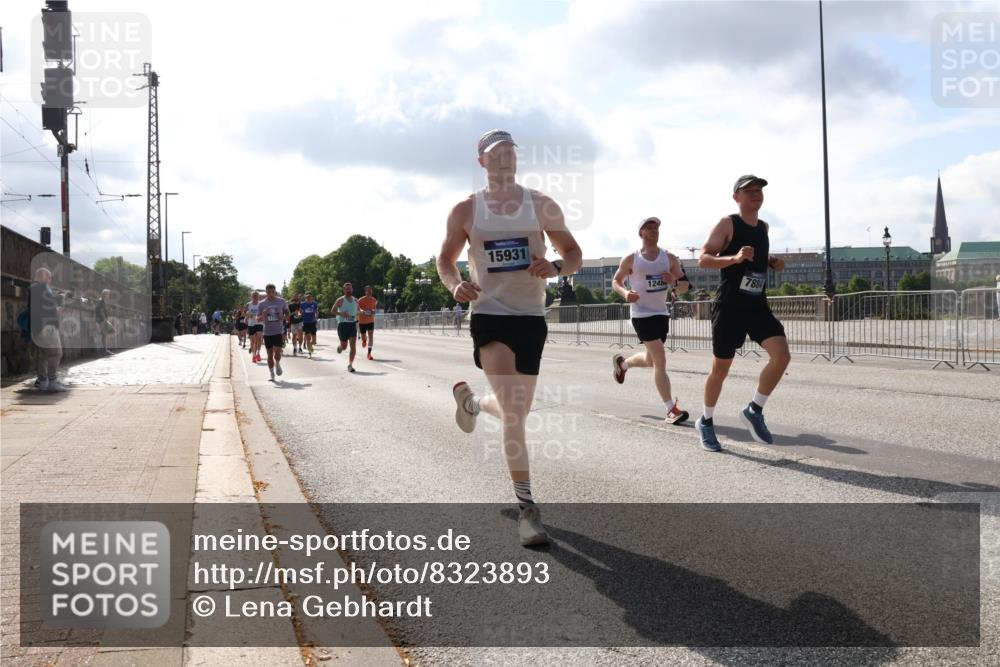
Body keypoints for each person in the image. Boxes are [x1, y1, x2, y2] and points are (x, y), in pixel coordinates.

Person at [437, 129, 582, 546]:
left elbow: (573, 254)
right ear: (481, 161)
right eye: (495, 153)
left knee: (515, 409)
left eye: (509, 151)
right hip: (490, 315)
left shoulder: (541, 204)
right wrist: (455, 285)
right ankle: (528, 511)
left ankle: (472, 403)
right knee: (515, 414)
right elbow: (445, 259)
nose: (504, 158)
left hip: (531, 317)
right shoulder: (466, 210)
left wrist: (556, 268)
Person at [695, 175, 790, 452]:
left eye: (759, 190)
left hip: (757, 304)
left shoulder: (763, 227)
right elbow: (703, 259)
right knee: (720, 370)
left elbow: (756, 258)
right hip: (730, 307)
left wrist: (772, 262)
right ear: (736, 197)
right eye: (749, 191)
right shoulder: (728, 224)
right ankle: (706, 421)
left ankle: (754, 410)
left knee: (782, 355)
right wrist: (734, 258)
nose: (756, 194)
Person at [610, 217, 690, 424]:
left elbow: (685, 286)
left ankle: (623, 364)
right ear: (641, 233)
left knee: (651, 360)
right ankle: (671, 409)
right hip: (641, 314)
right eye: (649, 228)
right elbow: (616, 281)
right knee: (660, 359)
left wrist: (674, 281)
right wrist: (625, 293)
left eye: (656, 228)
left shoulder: (669, 258)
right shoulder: (632, 259)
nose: (654, 231)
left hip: (661, 313)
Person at [29, 267, 66, 392]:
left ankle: (43, 381)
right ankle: (52, 381)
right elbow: (51, 306)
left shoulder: (33, 289)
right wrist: (60, 299)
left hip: (36, 329)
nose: (50, 280)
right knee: (56, 353)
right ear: (44, 277)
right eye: (49, 277)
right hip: (47, 328)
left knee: (43, 354)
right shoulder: (41, 288)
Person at [259, 283, 290, 381]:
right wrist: (262, 315)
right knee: (269, 354)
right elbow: (258, 319)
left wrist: (284, 317)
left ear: (275, 291)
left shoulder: (281, 301)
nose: (271, 293)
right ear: (266, 292)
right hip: (267, 332)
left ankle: (277, 363)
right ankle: (272, 374)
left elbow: (287, 312)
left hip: (278, 330)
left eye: (272, 291)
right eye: (269, 292)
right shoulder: (262, 304)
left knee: (277, 353)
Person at [330, 282, 359, 372]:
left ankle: (350, 365)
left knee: (353, 346)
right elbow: (332, 311)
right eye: (347, 289)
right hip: (343, 325)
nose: (349, 290)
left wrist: (363, 311)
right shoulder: (340, 300)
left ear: (352, 289)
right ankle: (340, 347)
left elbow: (358, 310)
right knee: (344, 346)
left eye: (350, 289)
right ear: (344, 290)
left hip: (352, 324)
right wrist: (341, 314)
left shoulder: (355, 300)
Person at [357, 286, 378, 361]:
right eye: (368, 291)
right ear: (365, 292)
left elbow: (375, 309)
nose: (369, 292)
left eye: (370, 291)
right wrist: (362, 311)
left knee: (371, 336)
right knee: (363, 337)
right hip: (362, 321)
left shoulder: (374, 300)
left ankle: (369, 354)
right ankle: (364, 340)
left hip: (370, 321)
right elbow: (358, 309)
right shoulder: (360, 300)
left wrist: (373, 311)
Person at [94, 289, 115, 355]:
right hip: (102, 320)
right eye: (108, 294)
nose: (108, 295)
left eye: (108, 294)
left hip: (102, 320)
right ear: (104, 294)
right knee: (105, 335)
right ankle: (104, 350)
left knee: (105, 335)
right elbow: (101, 311)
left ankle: (105, 350)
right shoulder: (101, 301)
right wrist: (105, 321)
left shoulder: (101, 301)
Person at [300, 292, 320, 358]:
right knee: (308, 338)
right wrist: (300, 314)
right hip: (306, 323)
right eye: (307, 297)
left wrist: (316, 315)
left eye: (309, 297)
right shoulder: (302, 304)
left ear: (311, 297)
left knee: (314, 341)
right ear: (305, 298)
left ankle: (310, 346)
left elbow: (316, 311)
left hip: (313, 322)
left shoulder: (314, 303)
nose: (308, 298)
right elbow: (300, 311)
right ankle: (309, 353)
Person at [246, 291, 264, 363]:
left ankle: (258, 353)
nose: (255, 297)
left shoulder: (261, 304)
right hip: (251, 324)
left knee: (259, 338)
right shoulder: (248, 304)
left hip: (259, 322)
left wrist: (260, 316)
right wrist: (248, 314)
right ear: (251, 296)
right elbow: (245, 313)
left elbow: (264, 313)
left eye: (256, 295)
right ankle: (253, 355)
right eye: (254, 295)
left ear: (258, 296)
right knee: (253, 341)